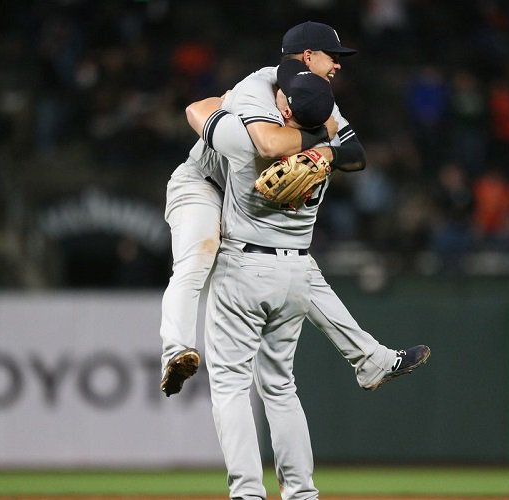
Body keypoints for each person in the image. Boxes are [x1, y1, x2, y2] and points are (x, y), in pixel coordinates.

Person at [159, 21, 430, 397]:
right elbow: (255, 137)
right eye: (332, 57)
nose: (338, 65)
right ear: (308, 56)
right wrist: (321, 138)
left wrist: (325, 150)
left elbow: (356, 155)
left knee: (300, 268)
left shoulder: (318, 98)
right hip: (205, 185)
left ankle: (371, 359)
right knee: (197, 258)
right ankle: (176, 350)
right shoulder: (258, 87)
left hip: (246, 202)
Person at [186, 61, 337, 500]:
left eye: (283, 96)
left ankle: (248, 492)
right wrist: (323, 142)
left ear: (287, 110)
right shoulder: (330, 154)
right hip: (296, 272)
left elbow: (197, 110)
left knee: (231, 385)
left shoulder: (247, 141)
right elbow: (339, 144)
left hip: (246, 266)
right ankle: (302, 493)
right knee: (281, 386)